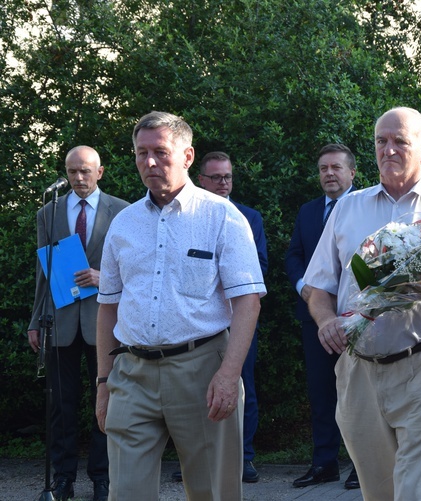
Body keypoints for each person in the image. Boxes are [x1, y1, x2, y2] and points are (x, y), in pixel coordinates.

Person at [304, 107, 421, 500]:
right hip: (358, 368)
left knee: (419, 490)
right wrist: (325, 322)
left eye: (400, 141)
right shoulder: (347, 207)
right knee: (379, 490)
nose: (388, 150)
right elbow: (318, 287)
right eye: (381, 141)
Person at [95, 111, 265, 499]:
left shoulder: (222, 217)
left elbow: (248, 301)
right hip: (132, 373)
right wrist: (104, 383)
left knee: (212, 492)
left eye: (160, 151)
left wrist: (228, 374)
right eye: (141, 153)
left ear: (187, 156)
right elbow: (108, 307)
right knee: (126, 492)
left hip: (202, 370)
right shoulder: (123, 224)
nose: (149, 162)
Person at [27, 146, 128, 501]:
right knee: (61, 406)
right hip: (60, 322)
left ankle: (103, 478)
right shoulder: (48, 211)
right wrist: (35, 321)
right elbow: (43, 271)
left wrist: (105, 278)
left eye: (85, 171)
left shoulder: (124, 211)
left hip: (106, 320)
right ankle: (63, 479)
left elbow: (135, 269)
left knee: (109, 400)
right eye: (72, 172)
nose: (79, 178)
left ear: (100, 172)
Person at [171, 151, 265, 483]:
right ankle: (190, 459)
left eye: (228, 177)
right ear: (202, 180)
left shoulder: (248, 217)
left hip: (236, 320)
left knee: (241, 387)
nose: (224, 183)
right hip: (192, 324)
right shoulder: (180, 217)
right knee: (187, 392)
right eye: (217, 178)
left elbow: (259, 271)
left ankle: (244, 457)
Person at [285, 143, 359, 490]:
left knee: (359, 394)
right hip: (315, 317)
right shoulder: (308, 211)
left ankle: (362, 464)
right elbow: (294, 255)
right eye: (323, 168)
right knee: (321, 393)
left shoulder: (364, 208)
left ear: (352, 173)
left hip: (359, 318)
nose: (329, 174)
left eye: (336, 168)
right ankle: (324, 463)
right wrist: (305, 286)